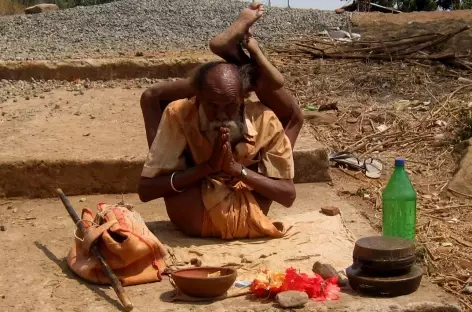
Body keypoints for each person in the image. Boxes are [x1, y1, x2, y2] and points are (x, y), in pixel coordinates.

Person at [138, 3, 303, 239]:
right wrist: (208, 168)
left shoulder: (264, 117)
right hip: (198, 194)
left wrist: (237, 170)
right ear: (197, 98)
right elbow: (146, 190)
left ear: (244, 100)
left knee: (293, 117)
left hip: (241, 182)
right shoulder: (181, 113)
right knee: (284, 111)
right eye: (212, 107)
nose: (222, 115)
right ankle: (237, 58)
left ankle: (239, 60)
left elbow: (287, 194)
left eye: (230, 106)